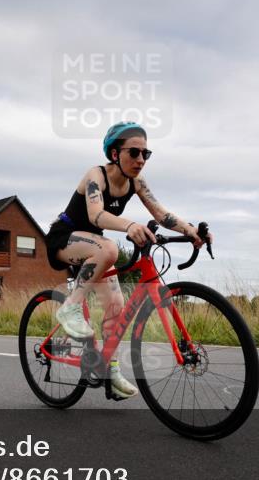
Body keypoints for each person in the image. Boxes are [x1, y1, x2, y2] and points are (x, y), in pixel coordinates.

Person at [44, 121, 214, 399]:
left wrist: (191, 231)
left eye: (145, 154)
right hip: (65, 238)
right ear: (114, 154)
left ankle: (108, 367)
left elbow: (162, 214)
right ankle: (69, 309)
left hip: (94, 245)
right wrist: (129, 226)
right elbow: (96, 214)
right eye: (133, 152)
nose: (140, 160)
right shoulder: (95, 176)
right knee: (109, 248)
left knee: (116, 304)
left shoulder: (136, 182)